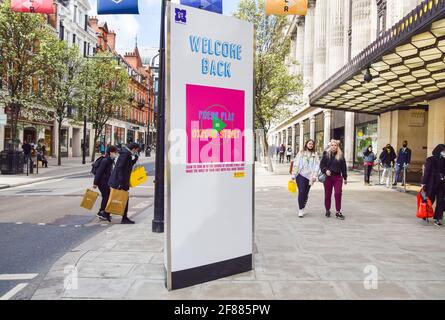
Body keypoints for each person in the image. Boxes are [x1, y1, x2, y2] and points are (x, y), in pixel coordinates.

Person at [108, 142, 141, 224]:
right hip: (121, 181)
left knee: (118, 197)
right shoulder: (126, 154)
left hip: (122, 180)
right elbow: (120, 168)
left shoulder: (127, 154)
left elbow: (127, 165)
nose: (136, 152)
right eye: (136, 150)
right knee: (124, 198)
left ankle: (106, 213)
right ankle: (124, 218)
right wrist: (121, 181)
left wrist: (134, 160)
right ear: (134, 149)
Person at [289, 139, 320, 218]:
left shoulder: (315, 154)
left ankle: (303, 206)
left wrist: (314, 176)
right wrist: (293, 175)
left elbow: (317, 165)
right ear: (306, 144)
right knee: (301, 191)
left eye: (312, 144)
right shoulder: (301, 153)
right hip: (300, 175)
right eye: (309, 144)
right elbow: (296, 163)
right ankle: (300, 209)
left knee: (306, 193)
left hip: (310, 176)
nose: (310, 145)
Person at [320, 140, 347, 220]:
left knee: (338, 193)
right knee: (328, 194)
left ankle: (338, 211)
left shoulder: (341, 155)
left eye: (335, 145)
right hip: (328, 177)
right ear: (330, 146)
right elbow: (322, 165)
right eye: (332, 145)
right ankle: (327, 209)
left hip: (338, 177)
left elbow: (344, 168)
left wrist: (345, 177)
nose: (334, 147)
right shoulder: (326, 154)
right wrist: (325, 170)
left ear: (337, 146)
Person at [421, 144, 445, 227]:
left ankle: (437, 219)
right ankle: (425, 214)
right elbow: (427, 172)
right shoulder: (430, 160)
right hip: (431, 184)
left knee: (441, 201)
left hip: (441, 185)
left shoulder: (444, 160)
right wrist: (423, 183)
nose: (444, 152)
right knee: (430, 200)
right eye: (443, 151)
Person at [93, 146, 118, 222]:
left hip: (106, 181)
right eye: (115, 152)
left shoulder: (110, 160)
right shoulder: (105, 160)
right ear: (111, 152)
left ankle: (105, 213)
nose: (116, 154)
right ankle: (101, 212)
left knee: (107, 197)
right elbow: (99, 172)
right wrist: (95, 183)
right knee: (106, 196)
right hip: (102, 182)